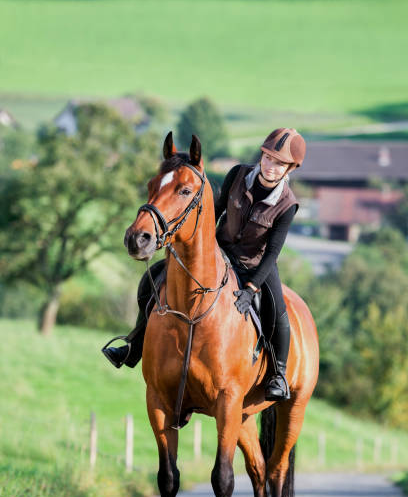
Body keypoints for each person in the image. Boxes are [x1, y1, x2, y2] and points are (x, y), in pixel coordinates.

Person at [102, 128, 306, 401]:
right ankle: (133, 346)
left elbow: (272, 253)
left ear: (290, 168)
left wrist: (252, 288)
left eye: (278, 163)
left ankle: (278, 373)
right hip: (219, 251)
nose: (270, 166)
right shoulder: (238, 174)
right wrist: (201, 247)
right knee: (152, 278)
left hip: (255, 264)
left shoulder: (287, 204)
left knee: (278, 309)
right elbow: (216, 209)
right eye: (268, 158)